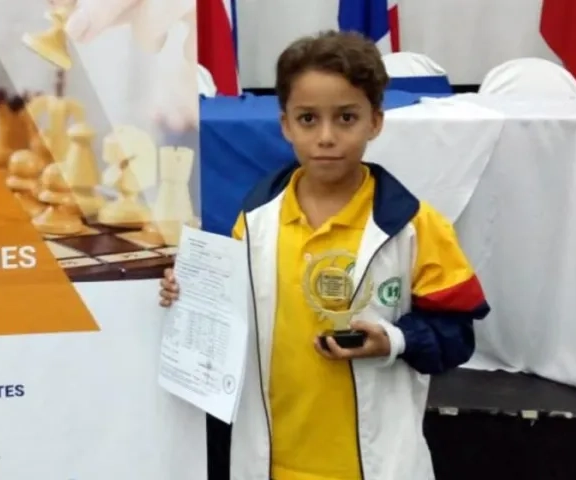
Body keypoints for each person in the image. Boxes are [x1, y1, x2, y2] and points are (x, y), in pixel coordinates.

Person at [158, 30, 490, 480]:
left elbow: (455, 337)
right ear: (285, 125)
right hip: (271, 462)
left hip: (376, 466)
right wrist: (186, 293)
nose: (327, 137)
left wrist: (392, 341)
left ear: (376, 121)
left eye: (346, 117)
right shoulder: (253, 222)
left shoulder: (415, 226)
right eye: (309, 119)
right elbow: (230, 318)